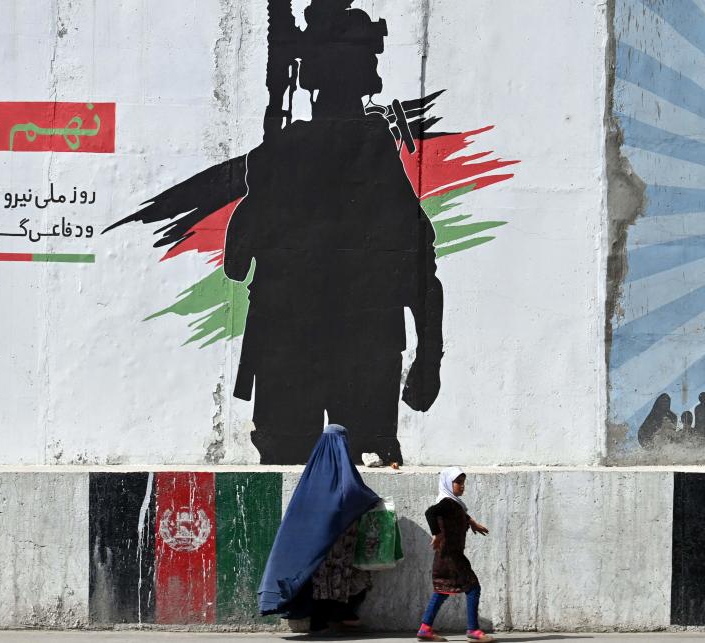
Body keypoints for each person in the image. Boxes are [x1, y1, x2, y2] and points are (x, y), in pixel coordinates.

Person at [223, 0, 443, 465]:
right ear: (368, 79)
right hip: (352, 352)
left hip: (299, 350)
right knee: (365, 474)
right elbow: (424, 270)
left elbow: (236, 265)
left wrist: (259, 184)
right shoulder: (372, 155)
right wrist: (429, 357)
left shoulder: (282, 156)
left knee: (292, 473)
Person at [257, 424, 381, 630]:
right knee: (339, 578)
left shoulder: (313, 471)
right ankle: (334, 616)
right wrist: (373, 500)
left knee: (318, 578)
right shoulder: (343, 468)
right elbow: (352, 493)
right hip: (338, 539)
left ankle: (320, 620)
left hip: (314, 541)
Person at [417, 468, 494, 642]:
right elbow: (430, 512)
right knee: (473, 587)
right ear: (447, 483)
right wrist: (436, 534)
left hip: (447, 556)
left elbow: (461, 515)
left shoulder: (453, 504)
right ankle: (473, 630)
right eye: (458, 482)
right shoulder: (446, 502)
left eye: (463, 483)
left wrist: (473, 523)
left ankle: (425, 628)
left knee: (442, 590)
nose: (462, 486)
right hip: (452, 557)